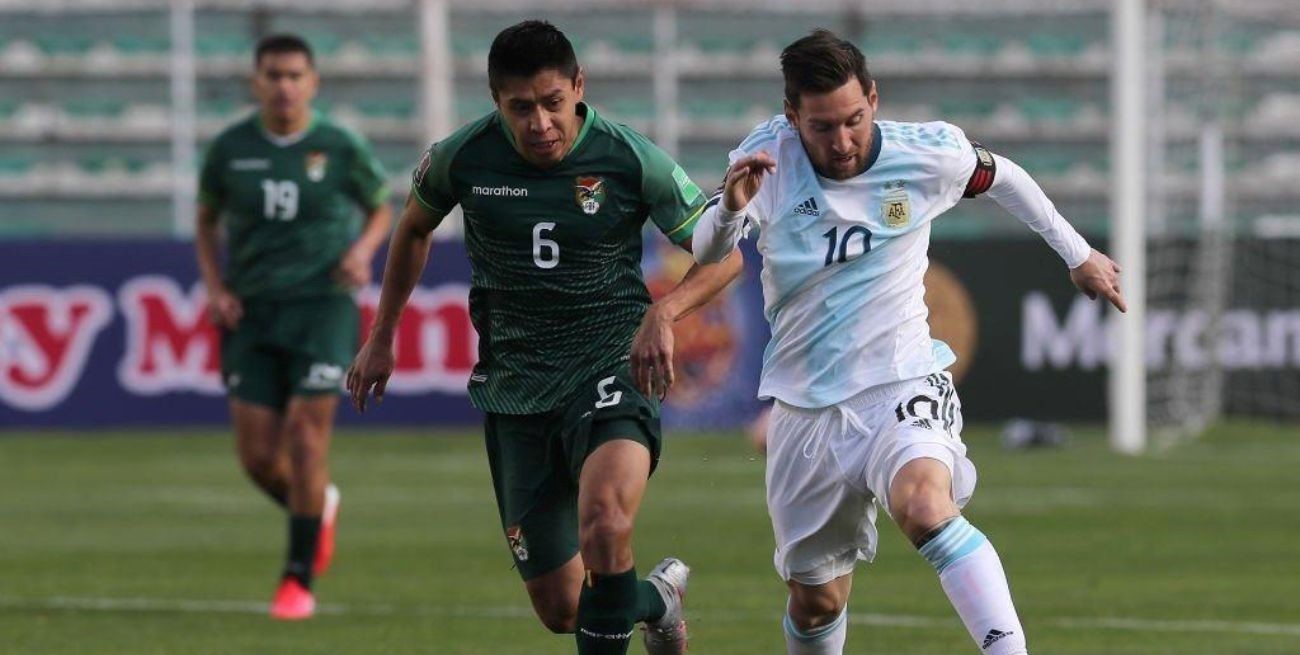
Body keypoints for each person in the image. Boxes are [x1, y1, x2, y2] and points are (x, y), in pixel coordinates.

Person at [692, 29, 1126, 655]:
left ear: (873, 97)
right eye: (822, 127)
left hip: (900, 381)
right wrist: (732, 209)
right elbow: (708, 250)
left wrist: (1078, 254)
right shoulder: (766, 159)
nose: (843, 141)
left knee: (924, 505)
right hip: (806, 409)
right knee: (816, 603)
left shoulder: (926, 153)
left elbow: (1003, 176)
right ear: (792, 116)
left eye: (854, 119)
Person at [345, 20, 742, 655]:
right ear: (496, 101)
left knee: (605, 524)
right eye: (521, 108)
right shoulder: (462, 157)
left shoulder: (629, 158)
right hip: (517, 389)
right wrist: (383, 334)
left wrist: (664, 314)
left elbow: (724, 256)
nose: (540, 123)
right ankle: (658, 599)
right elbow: (413, 228)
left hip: (611, 368)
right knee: (563, 608)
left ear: (579, 86)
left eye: (553, 102)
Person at [194, 33, 393, 621]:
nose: (284, 86)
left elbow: (381, 206)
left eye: (294, 75)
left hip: (322, 307)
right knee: (258, 459)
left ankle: (296, 579)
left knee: (307, 440)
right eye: (273, 75)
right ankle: (317, 507)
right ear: (256, 82)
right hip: (252, 312)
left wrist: (362, 251)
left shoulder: (339, 145)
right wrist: (216, 287)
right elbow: (205, 221)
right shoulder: (230, 148)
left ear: (313, 82)